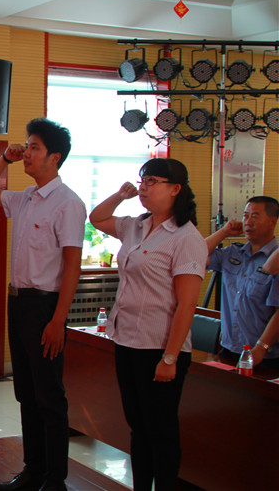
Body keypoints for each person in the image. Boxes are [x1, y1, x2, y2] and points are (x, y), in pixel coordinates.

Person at [0, 118, 85, 491]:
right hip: (19, 304)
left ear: (55, 157)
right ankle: (33, 471)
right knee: (25, 391)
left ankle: (55, 479)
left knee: (49, 396)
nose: (27, 152)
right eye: (27, 146)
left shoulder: (68, 203)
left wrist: (58, 320)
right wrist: (4, 159)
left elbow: (73, 266)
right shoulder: (23, 198)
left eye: (34, 147)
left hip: (45, 308)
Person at [89, 158, 206, 491]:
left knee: (161, 429)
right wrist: (120, 194)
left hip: (159, 348)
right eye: (142, 181)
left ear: (176, 189)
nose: (144, 188)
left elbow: (187, 304)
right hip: (127, 341)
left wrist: (170, 358)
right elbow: (97, 218)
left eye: (152, 181)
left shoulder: (186, 238)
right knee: (137, 426)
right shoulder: (135, 226)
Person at [205, 196, 279, 368]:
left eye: (255, 217)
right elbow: (194, 255)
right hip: (228, 349)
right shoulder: (233, 253)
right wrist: (224, 232)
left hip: (262, 357)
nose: (248, 222)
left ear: (272, 222)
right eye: (245, 216)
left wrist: (261, 348)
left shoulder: (275, 261)